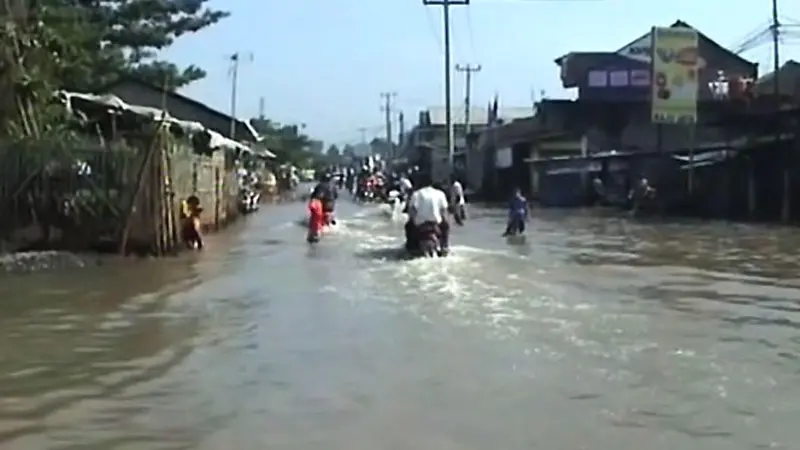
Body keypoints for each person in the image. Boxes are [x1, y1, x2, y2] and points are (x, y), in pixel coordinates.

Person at [405, 173, 450, 253]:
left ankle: (411, 248)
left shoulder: (416, 194)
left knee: (408, 226)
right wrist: (445, 222)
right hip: (436, 224)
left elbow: (412, 212)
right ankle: (444, 246)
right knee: (446, 226)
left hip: (420, 225)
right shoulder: (440, 193)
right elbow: (444, 212)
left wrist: (412, 221)